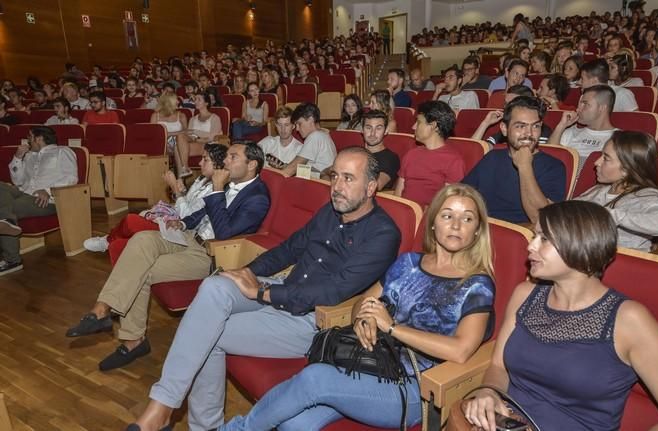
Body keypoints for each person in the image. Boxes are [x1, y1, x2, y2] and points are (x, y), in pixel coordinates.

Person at [128, 147, 402, 431]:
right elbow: (288, 249)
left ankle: (200, 425)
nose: (336, 187)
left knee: (206, 330)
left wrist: (262, 293)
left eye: (348, 178)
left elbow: (331, 292)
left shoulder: (383, 234)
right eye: (334, 177)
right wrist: (248, 271)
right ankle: (163, 405)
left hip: (315, 319)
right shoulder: (330, 213)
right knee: (214, 287)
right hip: (285, 287)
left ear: (371, 187)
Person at [220, 183, 496, 430]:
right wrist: (364, 319)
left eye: (467, 218)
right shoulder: (408, 263)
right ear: (434, 223)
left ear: (476, 231)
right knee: (294, 424)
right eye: (448, 215)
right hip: (370, 364)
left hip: (415, 387)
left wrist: (392, 327)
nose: (457, 225)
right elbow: (364, 301)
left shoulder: (477, 284)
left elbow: (461, 350)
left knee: (314, 379)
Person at [463, 200, 658, 431]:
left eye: (544, 239)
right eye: (534, 236)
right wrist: (489, 392)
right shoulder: (525, 295)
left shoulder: (629, 320)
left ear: (581, 243)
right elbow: (499, 366)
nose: (530, 246)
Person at [65, 142, 270, 371]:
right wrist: (182, 222)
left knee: (141, 270)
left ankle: (131, 339)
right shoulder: (232, 183)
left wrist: (218, 189)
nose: (226, 161)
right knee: (141, 239)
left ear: (251, 165)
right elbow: (203, 214)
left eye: (233, 157)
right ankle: (102, 308)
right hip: (190, 237)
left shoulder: (257, 197)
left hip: (211, 255)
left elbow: (224, 234)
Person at [83, 144, 227, 259]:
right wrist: (182, 192)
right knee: (129, 233)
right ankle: (110, 242)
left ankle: (107, 241)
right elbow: (188, 205)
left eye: (205, 159)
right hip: (176, 222)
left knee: (131, 221)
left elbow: (187, 217)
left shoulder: (216, 190)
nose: (200, 162)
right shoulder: (202, 179)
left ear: (218, 165)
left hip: (184, 231)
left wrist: (175, 190)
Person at [463, 96, 566, 224]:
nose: (529, 133)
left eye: (535, 126)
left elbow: (540, 219)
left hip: (521, 236)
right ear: (504, 129)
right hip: (481, 229)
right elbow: (462, 194)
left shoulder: (554, 166)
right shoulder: (492, 157)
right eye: (520, 126)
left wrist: (524, 166)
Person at [575, 131, 658, 251]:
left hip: (619, 263)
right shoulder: (598, 190)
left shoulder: (647, 196)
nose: (596, 162)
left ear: (626, 169)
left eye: (606, 158)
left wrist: (610, 215)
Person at [1, 127, 77, 275]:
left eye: (30, 137)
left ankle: (12, 260)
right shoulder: (29, 156)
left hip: (46, 200)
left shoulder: (63, 151)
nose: (27, 141)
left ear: (39, 138)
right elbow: (18, 181)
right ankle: (7, 221)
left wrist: (48, 190)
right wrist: (17, 158)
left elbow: (71, 178)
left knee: (8, 208)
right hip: (23, 192)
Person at [396, 101, 465, 207]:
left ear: (433, 126)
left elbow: (448, 205)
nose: (414, 127)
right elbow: (398, 195)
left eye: (418, 122)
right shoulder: (411, 154)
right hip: (403, 215)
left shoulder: (454, 161)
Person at [548, 84, 618, 171]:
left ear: (602, 108)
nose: (578, 109)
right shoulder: (571, 132)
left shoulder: (618, 139)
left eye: (585, 104)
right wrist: (561, 126)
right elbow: (549, 156)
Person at [473, 85, 552, 146]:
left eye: (510, 103)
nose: (504, 107)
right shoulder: (507, 129)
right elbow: (476, 150)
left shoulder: (540, 132)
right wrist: (485, 123)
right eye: (505, 103)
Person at [280, 103, 336, 178]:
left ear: (311, 119)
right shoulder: (323, 135)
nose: (297, 129)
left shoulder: (315, 136)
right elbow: (315, 171)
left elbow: (291, 169)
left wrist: (275, 178)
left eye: (299, 124)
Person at [177, 93, 223, 178]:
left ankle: (182, 177)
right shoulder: (193, 119)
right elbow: (190, 134)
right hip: (196, 142)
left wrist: (196, 134)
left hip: (209, 145)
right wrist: (196, 137)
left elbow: (213, 136)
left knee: (178, 148)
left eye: (199, 100)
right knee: (180, 137)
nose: (196, 102)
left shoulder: (214, 118)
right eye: (195, 100)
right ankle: (184, 169)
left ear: (206, 103)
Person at [150, 93, 189, 176]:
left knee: (176, 144)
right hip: (161, 144)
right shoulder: (155, 116)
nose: (178, 102)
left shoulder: (181, 115)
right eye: (176, 100)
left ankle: (180, 177)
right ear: (168, 102)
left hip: (177, 144)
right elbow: (154, 134)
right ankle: (181, 177)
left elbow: (186, 133)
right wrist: (176, 133)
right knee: (175, 142)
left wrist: (169, 134)